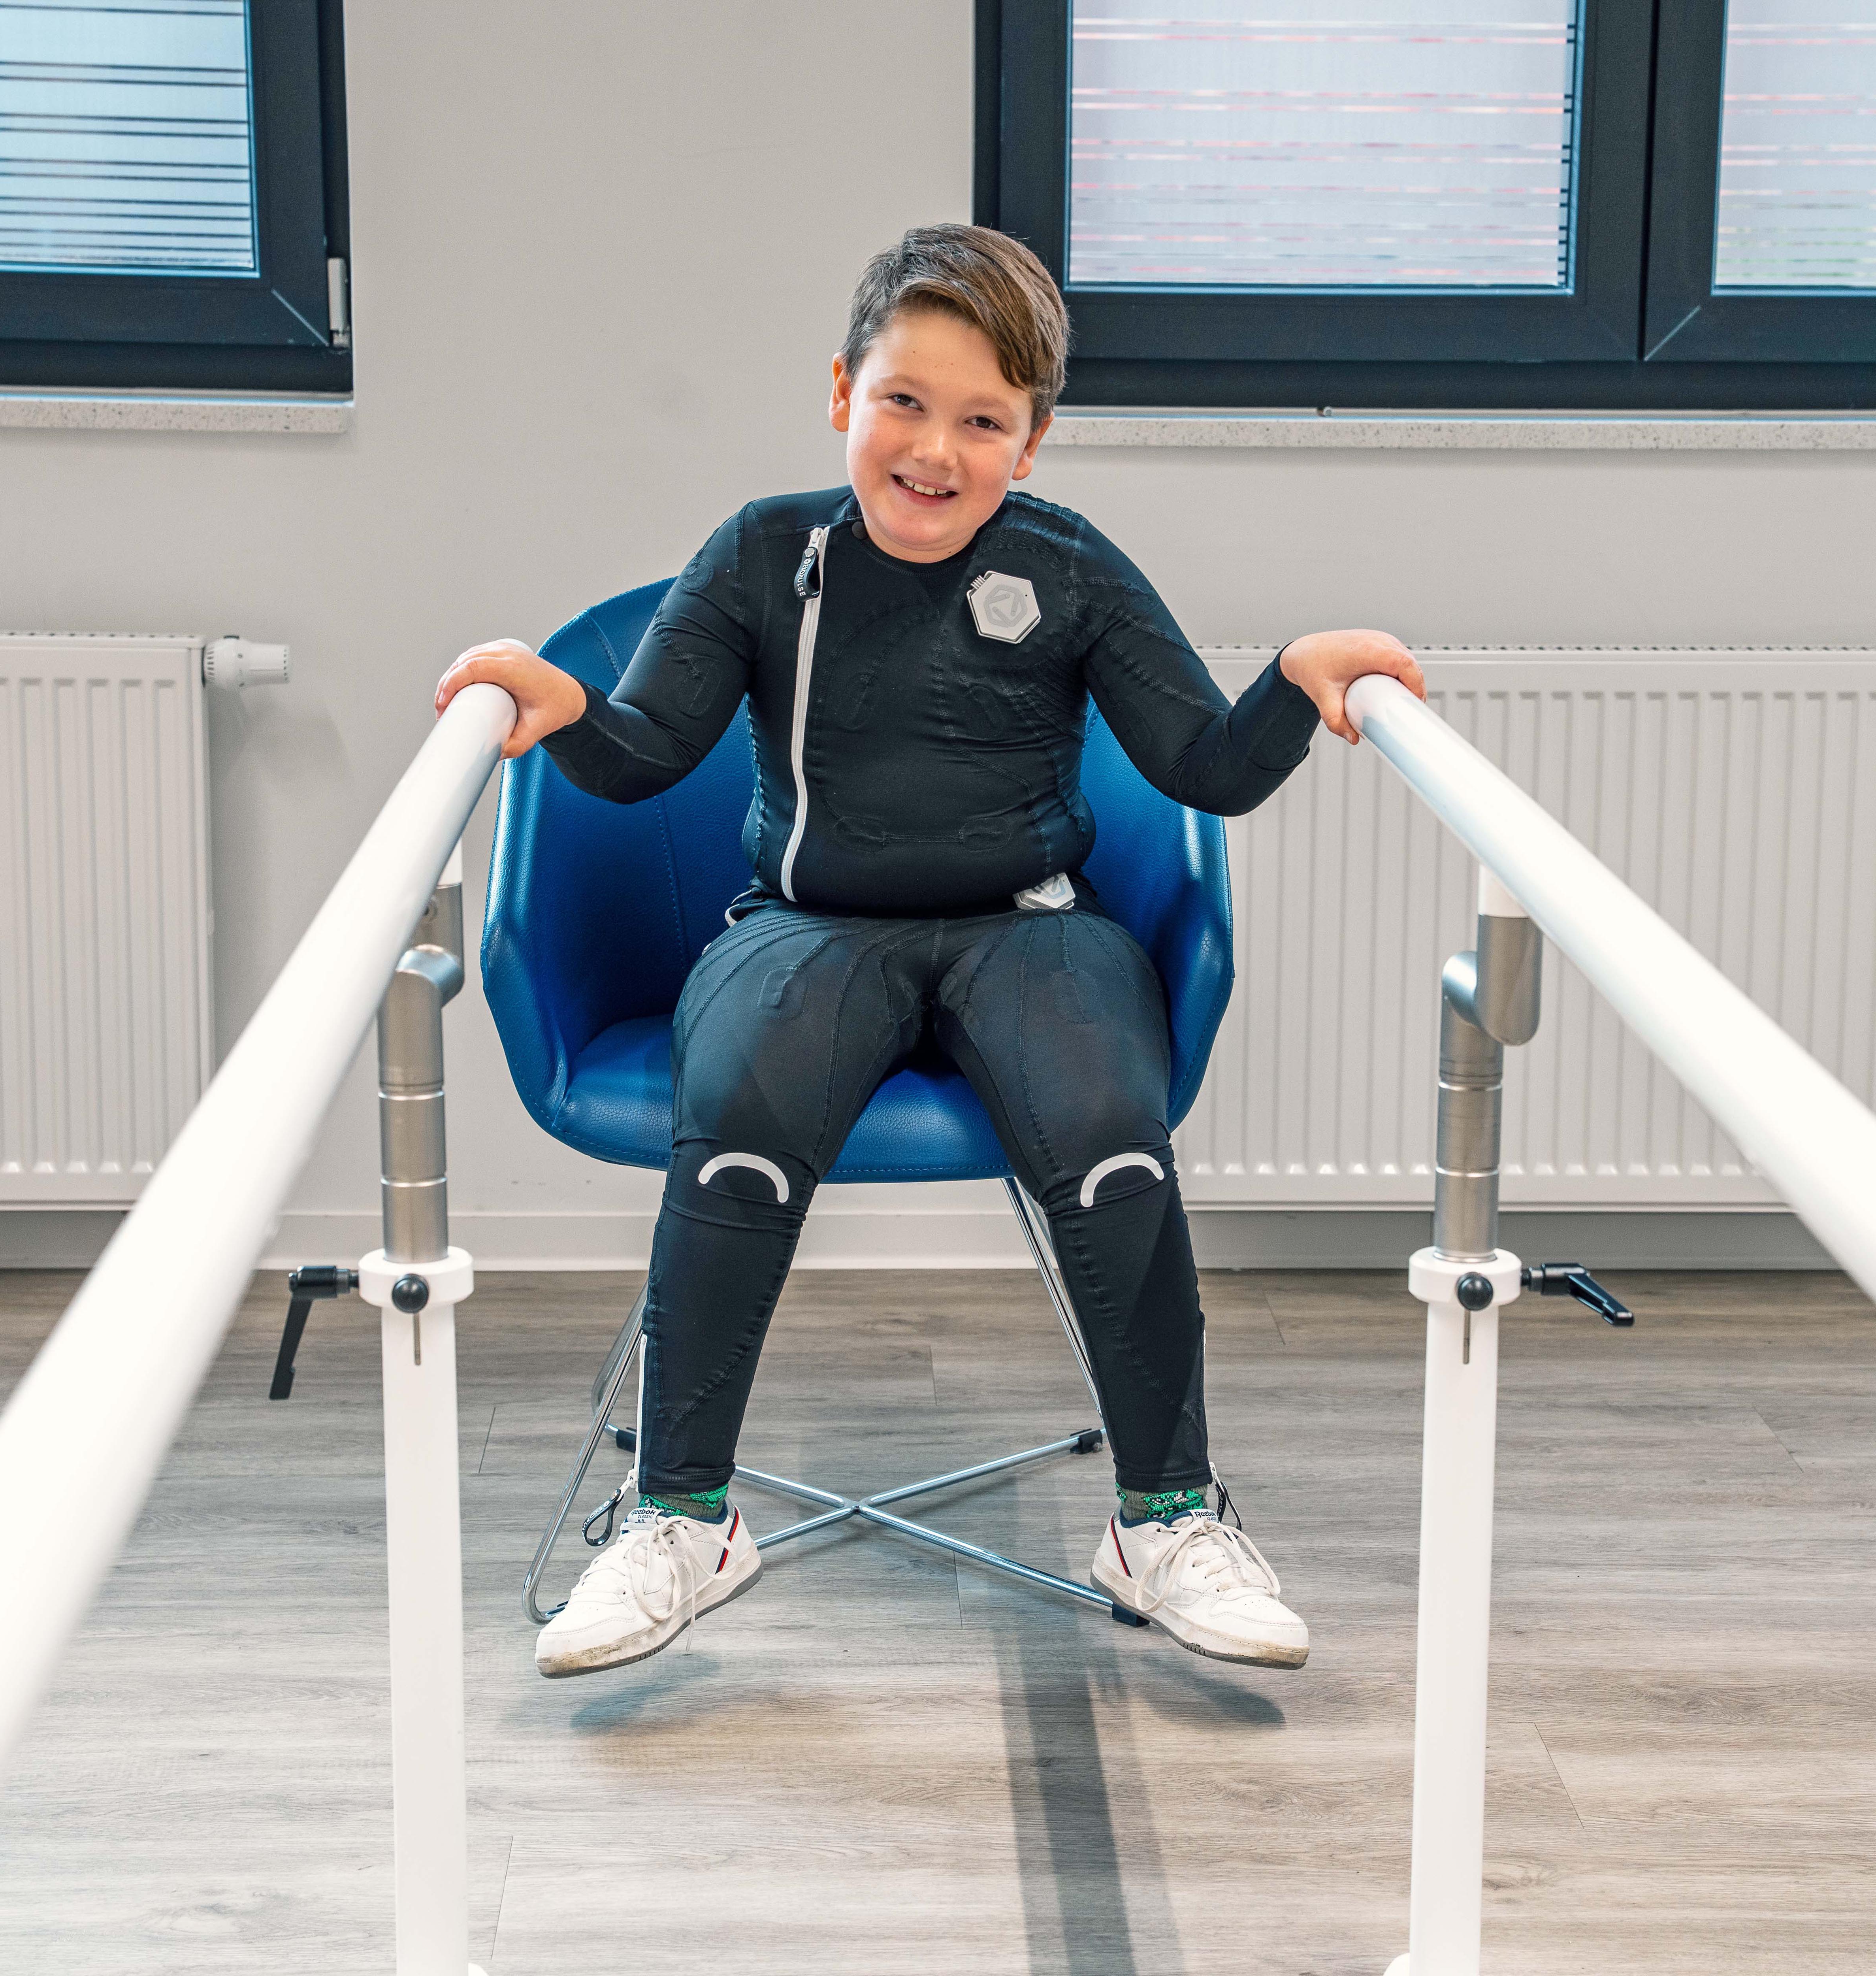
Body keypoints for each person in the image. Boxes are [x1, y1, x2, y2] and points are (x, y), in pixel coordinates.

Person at [436, 224, 1424, 1680]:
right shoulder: (769, 554)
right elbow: (644, 756)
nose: (934, 449)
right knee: (744, 1125)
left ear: (1031, 445)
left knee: (1108, 1134)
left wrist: (1292, 681)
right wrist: (555, 704)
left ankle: (1164, 1519)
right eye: (905, 401)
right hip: (805, 928)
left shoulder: (1070, 567)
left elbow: (1203, 768)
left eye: (982, 421)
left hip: (1029, 932)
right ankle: (683, 1518)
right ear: (843, 391)